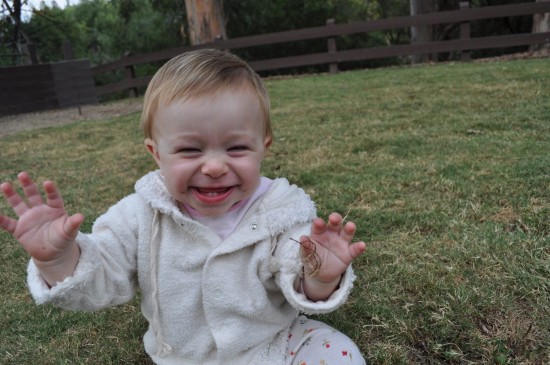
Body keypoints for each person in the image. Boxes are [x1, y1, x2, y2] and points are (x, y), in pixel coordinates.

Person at [0, 49, 366, 365]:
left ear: (263, 147)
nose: (214, 166)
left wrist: (319, 276)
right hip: (182, 358)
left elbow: (298, 281)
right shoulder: (139, 216)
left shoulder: (282, 211)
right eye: (190, 150)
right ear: (156, 154)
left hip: (271, 346)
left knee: (338, 353)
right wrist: (57, 261)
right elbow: (103, 275)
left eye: (236, 148)